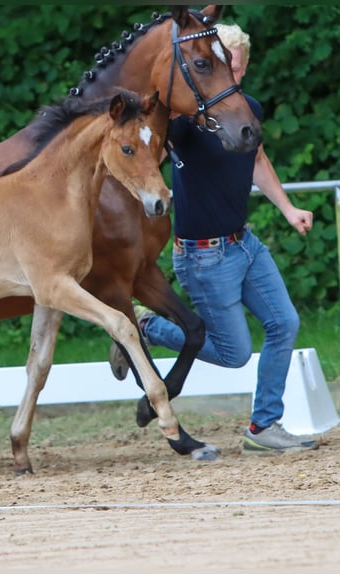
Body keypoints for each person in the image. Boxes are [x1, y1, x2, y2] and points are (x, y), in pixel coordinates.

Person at [109, 23, 318, 455]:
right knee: (234, 353)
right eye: (224, 67)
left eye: (237, 68)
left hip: (246, 244)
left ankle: (264, 427)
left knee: (285, 324)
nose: (232, 77)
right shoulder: (181, 124)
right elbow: (144, 156)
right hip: (205, 257)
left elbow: (258, 159)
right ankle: (145, 327)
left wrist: (287, 208)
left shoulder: (248, 110)